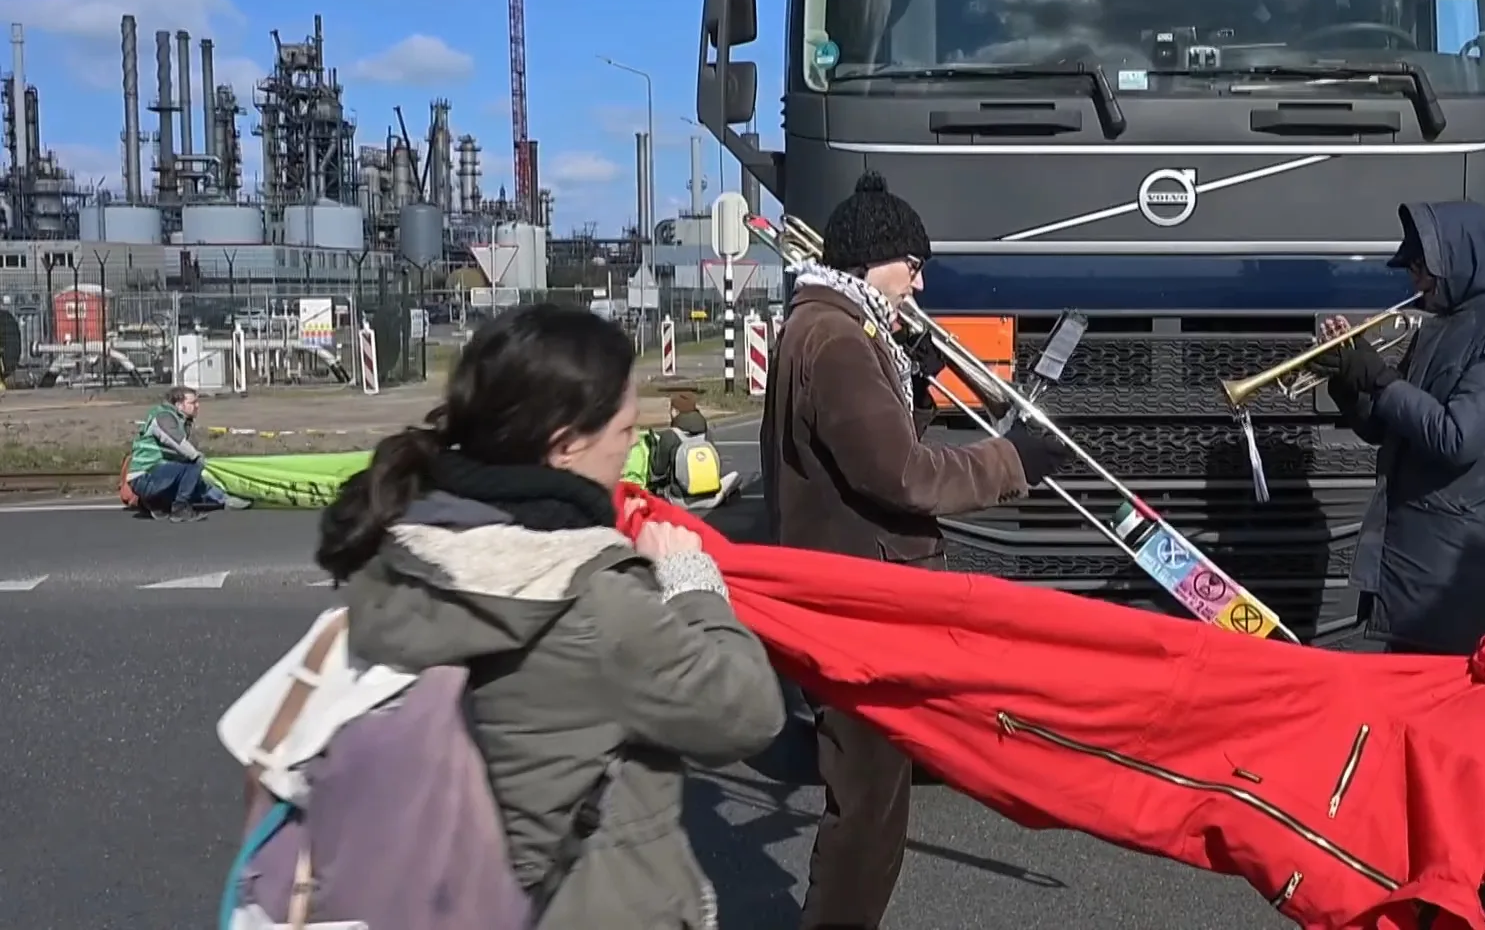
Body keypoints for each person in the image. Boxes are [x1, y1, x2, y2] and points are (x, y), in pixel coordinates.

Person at [314, 303, 787, 929]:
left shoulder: (402, 542)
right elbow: (749, 711)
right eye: (624, 432)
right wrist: (692, 584)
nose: (632, 447)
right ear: (565, 447)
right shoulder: (591, 605)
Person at [762, 171, 1071, 930]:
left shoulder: (840, 327)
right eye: (914, 265)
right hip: (857, 606)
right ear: (877, 260)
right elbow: (901, 477)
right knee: (866, 816)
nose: (921, 282)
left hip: (853, 593)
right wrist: (1013, 464)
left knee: (871, 807)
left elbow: (867, 455)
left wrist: (920, 394)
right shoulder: (836, 340)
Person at [1314, 199, 1485, 930]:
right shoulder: (1442, 328)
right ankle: (1425, 890)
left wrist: (1381, 381)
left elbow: (1454, 435)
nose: (1415, 276)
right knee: (1413, 751)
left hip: (1460, 576)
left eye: (1423, 262)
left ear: (1461, 255)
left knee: (1469, 757)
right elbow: (1396, 430)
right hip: (1407, 559)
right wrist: (1351, 384)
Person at [126, 385, 249, 520]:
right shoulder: (164, 417)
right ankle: (180, 509)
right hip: (145, 476)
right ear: (179, 405)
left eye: (197, 402)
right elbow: (176, 441)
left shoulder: (182, 421)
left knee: (192, 478)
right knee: (193, 467)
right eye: (192, 403)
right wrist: (197, 456)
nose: (197, 406)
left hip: (154, 474)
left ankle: (155, 503)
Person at [648, 391, 725, 502]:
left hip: (681, 497)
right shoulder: (706, 432)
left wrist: (654, 447)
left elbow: (658, 471)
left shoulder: (671, 436)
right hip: (710, 493)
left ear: (675, 412)